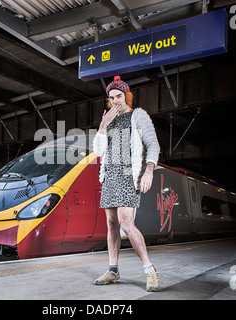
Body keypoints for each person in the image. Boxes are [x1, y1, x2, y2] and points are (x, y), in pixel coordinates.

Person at [92, 75, 160, 292]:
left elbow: (153, 145)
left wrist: (148, 171)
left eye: (119, 96)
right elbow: (98, 151)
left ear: (127, 96)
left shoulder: (138, 116)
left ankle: (150, 271)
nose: (115, 101)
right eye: (111, 98)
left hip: (129, 176)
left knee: (126, 223)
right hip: (110, 176)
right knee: (111, 223)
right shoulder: (108, 120)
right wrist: (102, 126)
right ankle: (113, 270)